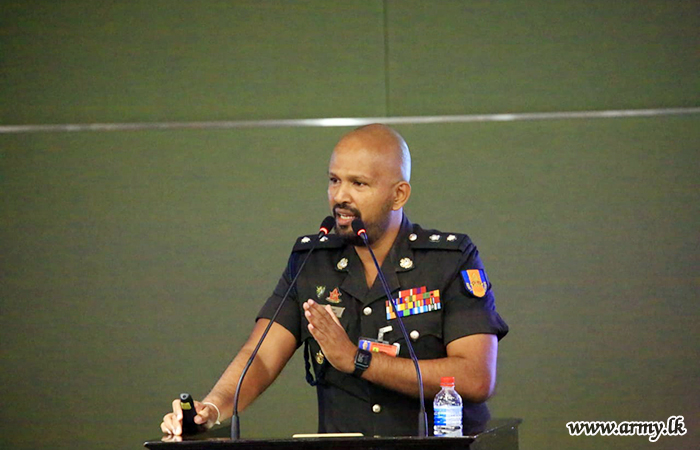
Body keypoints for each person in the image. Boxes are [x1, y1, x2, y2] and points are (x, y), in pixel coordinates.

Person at [160, 124, 508, 437]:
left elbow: (476, 378)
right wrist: (212, 408)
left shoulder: (448, 260)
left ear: (398, 195)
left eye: (359, 183)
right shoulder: (313, 260)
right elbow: (261, 355)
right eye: (334, 180)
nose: (341, 196)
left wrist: (358, 360)